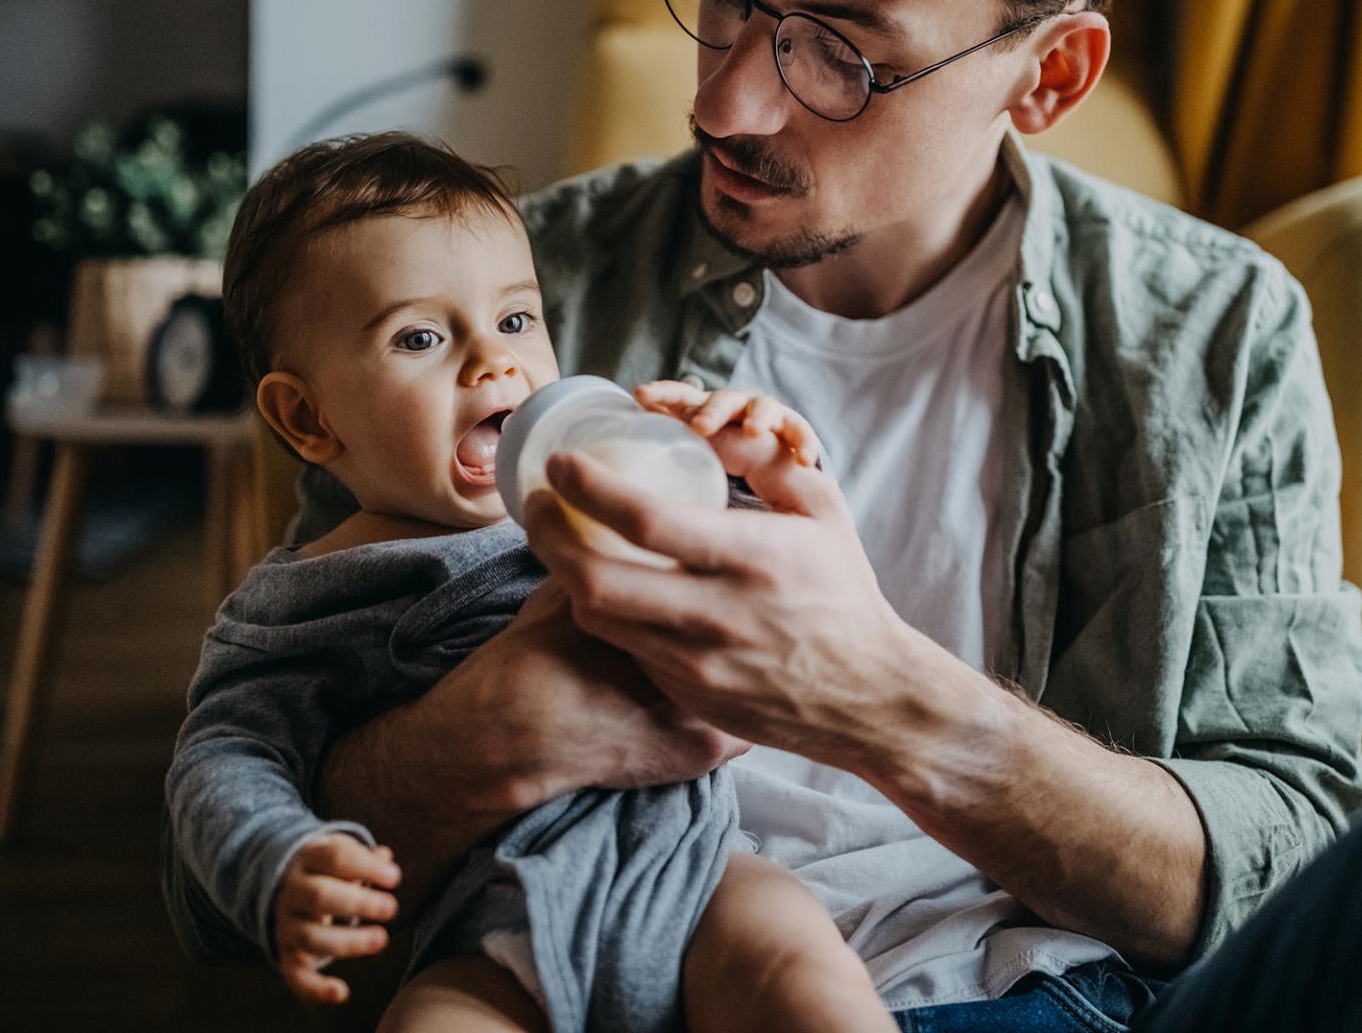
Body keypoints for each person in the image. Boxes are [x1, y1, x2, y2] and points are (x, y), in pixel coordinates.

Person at [165, 0, 1362, 1027]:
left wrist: (876, 693)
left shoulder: (1210, 334)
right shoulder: (506, 292)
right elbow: (231, 869)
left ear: (1049, 76)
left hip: (1052, 996)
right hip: (592, 981)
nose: (722, 95)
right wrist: (488, 739)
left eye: (834, 50)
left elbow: (1282, 857)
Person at [167, 132, 897, 1033]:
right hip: (489, 927)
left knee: (806, 978)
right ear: (308, 417)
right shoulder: (302, 602)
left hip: (698, 880)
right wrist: (278, 857)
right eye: (421, 337)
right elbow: (224, 757)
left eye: (516, 320)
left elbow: (750, 579)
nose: (494, 364)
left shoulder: (602, 494)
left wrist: (753, 468)